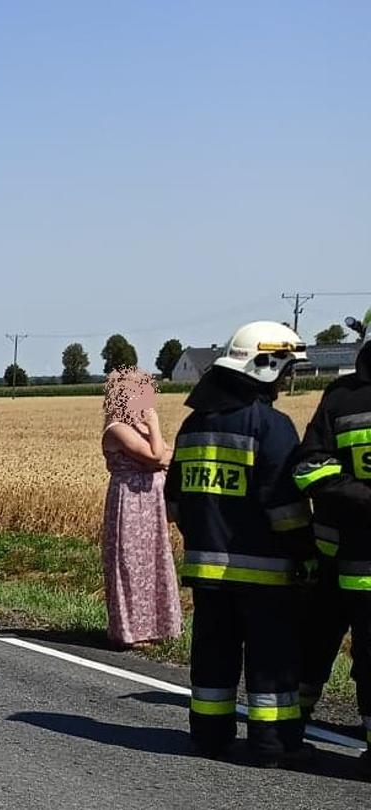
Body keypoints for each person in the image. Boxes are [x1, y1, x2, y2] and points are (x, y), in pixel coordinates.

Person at [166, 321, 314, 766]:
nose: (288, 380)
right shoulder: (271, 426)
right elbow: (284, 506)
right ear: (265, 365)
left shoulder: (193, 425)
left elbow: (175, 502)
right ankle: (271, 744)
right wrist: (306, 553)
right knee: (272, 661)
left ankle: (208, 737)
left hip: (206, 571)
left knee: (212, 656)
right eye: (286, 370)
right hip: (265, 573)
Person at [292, 309, 371, 765]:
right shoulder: (340, 398)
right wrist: (361, 497)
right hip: (333, 557)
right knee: (312, 648)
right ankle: (286, 733)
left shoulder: (340, 397)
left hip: (347, 556)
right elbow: (310, 466)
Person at [99, 367, 182, 648]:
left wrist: (160, 455)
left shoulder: (139, 428)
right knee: (131, 564)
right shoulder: (117, 429)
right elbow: (156, 454)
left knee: (153, 560)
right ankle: (131, 632)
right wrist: (154, 423)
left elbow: (171, 456)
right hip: (131, 503)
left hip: (150, 504)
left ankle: (158, 628)